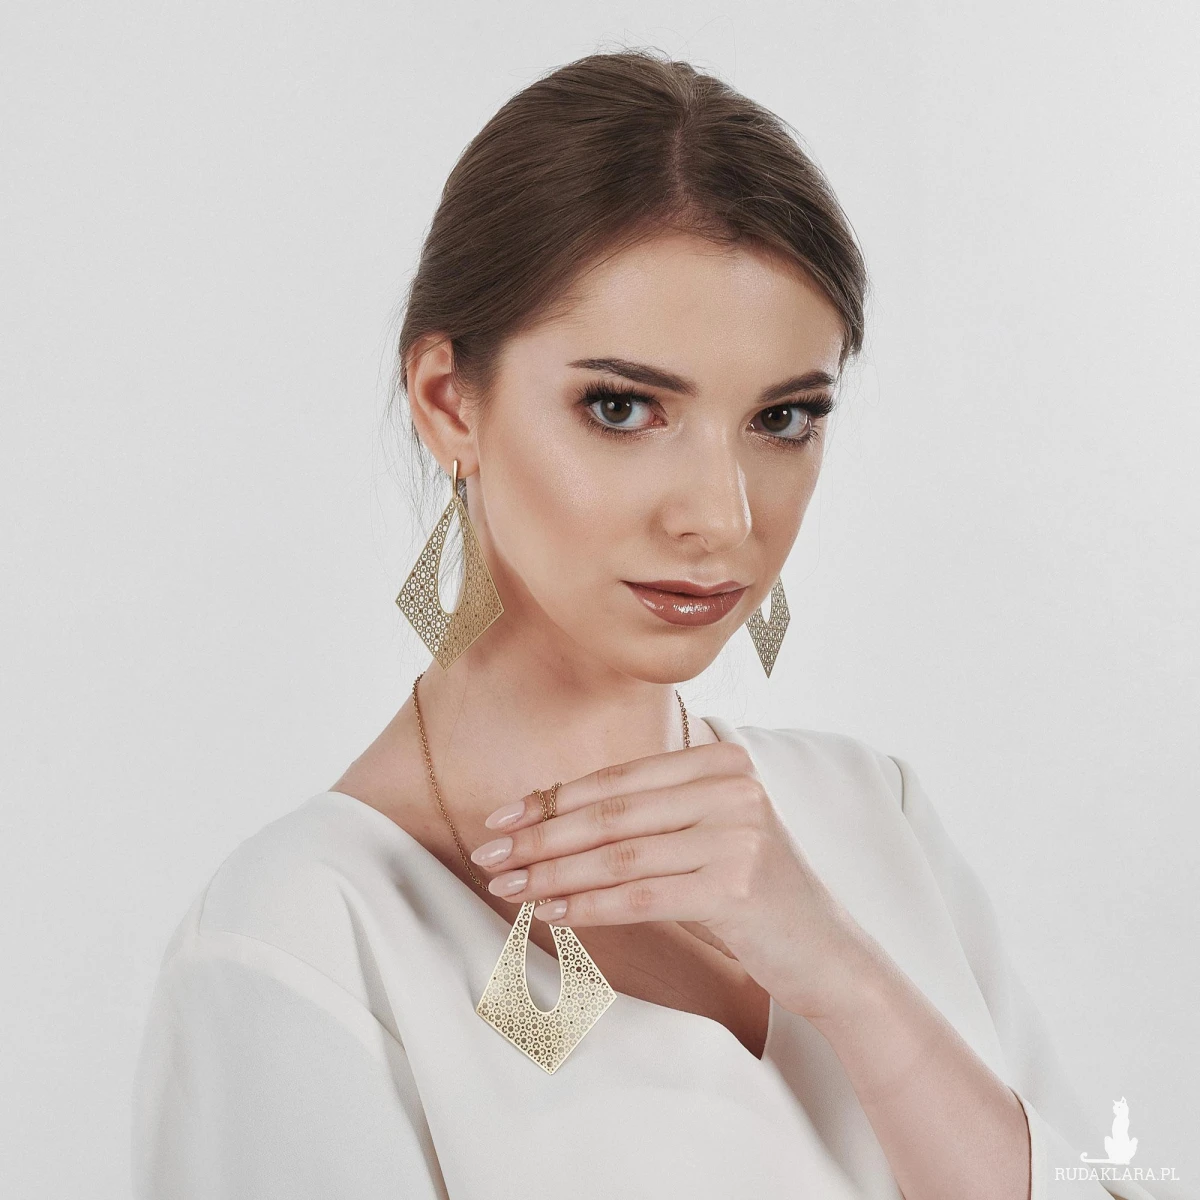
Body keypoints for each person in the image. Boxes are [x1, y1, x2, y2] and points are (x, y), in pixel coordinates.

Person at [130, 49, 1162, 1200]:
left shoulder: (875, 816)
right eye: (622, 408)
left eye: (782, 419)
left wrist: (848, 982)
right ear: (448, 402)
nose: (722, 518)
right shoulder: (303, 941)